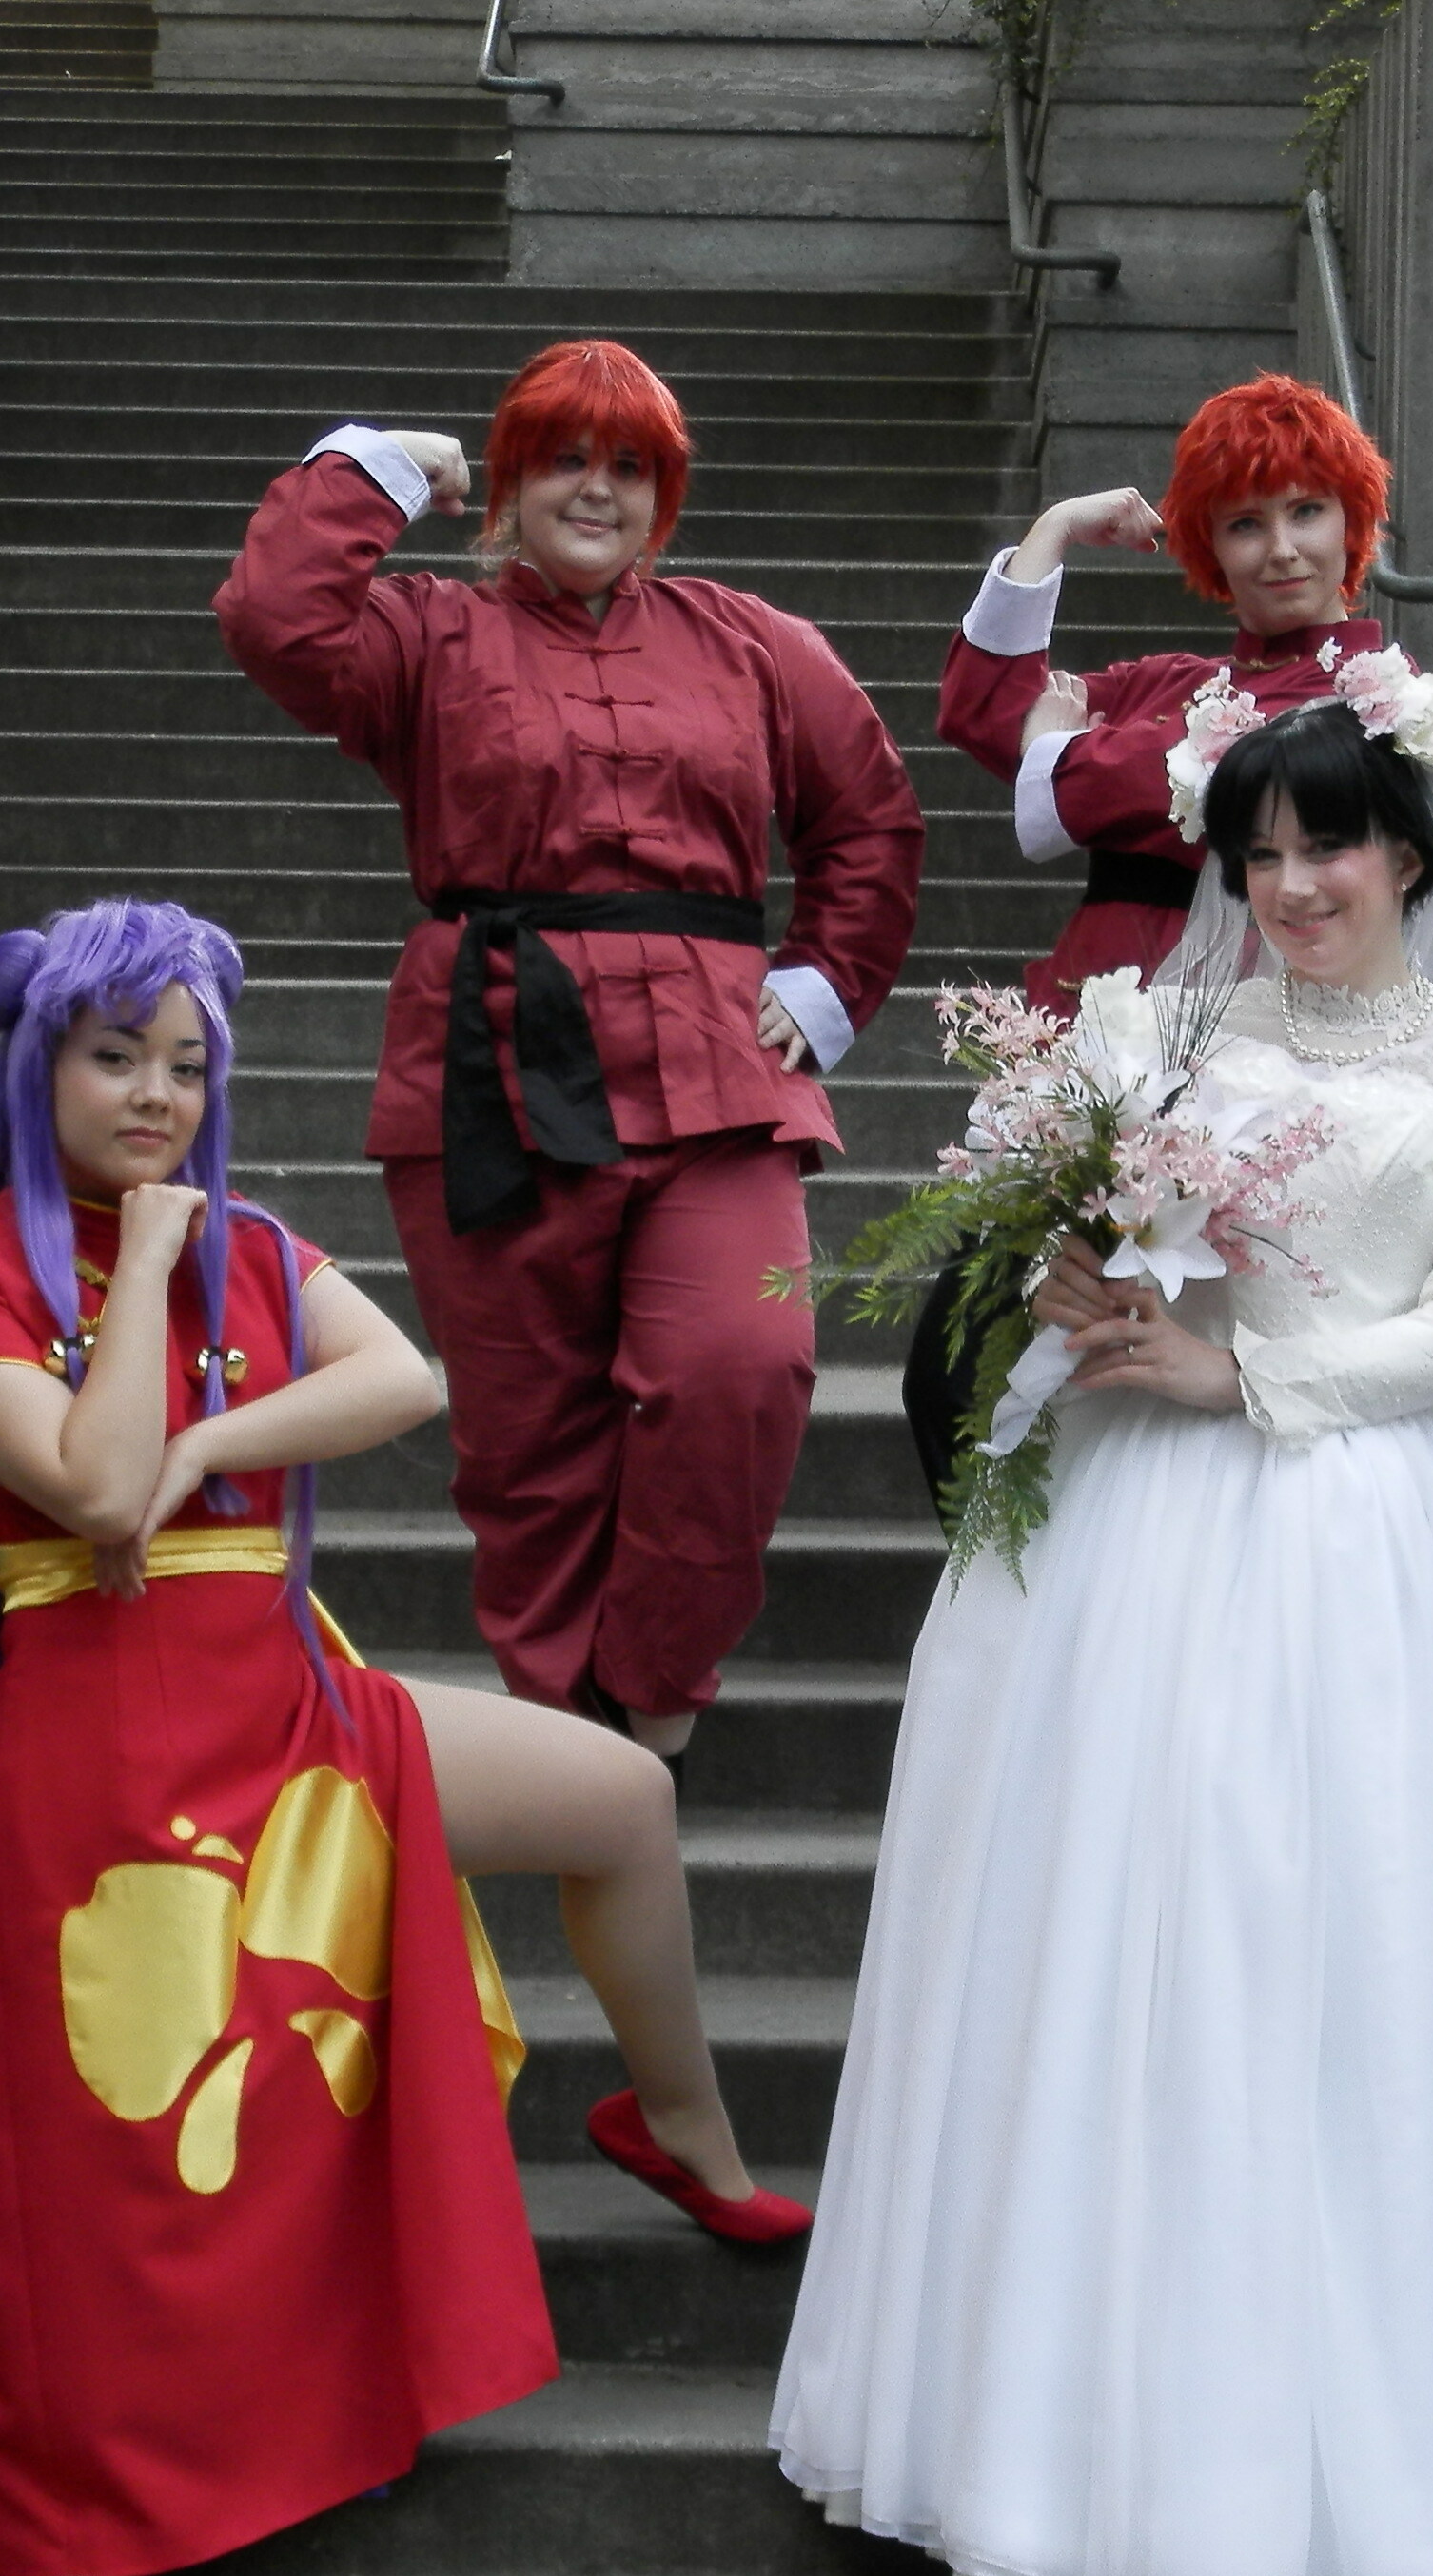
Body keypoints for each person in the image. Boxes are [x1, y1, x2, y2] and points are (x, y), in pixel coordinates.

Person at [769, 695, 1433, 2576]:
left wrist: (1247, 1376)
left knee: (1342, 1959)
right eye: (1257, 853)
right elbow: (1087, 1254)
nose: (1289, 887)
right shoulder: (1153, 1038)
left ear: (1410, 853)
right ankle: (1042, 2438)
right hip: (1133, 1535)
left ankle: (1357, 2453)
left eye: (1326, 847)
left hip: (1366, 1547)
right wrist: (1083, 1285)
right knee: (1102, 1950)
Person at [0, 898, 803, 2576]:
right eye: (115, 1059)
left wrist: (216, 1437)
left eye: (187, 1066)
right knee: (109, 2150)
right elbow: (94, 1490)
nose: (156, 1096)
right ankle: (42, 2523)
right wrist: (146, 1273)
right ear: (38, 1070)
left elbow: (401, 1378)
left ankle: (681, 2128)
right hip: (90, 1745)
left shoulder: (250, 1241)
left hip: (285, 1699)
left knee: (620, 1799)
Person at [216, 340, 924, 1767]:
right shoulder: (424, 635)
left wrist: (827, 979)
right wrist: (376, 469)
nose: (596, 490)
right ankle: (568, 1745)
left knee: (744, 1363)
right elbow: (277, 622)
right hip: (492, 1060)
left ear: (664, 495)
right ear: (512, 482)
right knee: (529, 1444)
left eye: (629, 468)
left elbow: (870, 817)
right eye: (564, 461)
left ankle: (650, 1710)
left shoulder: (753, 641)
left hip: (721, 1066)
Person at [909, 372, 1402, 1508]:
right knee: (971, 1381)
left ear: (1353, 523)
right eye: (1244, 523)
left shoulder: (1379, 698)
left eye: (1307, 511)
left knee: (1059, 1400)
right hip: (1087, 1077)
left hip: (1233, 1095)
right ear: (1207, 548)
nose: (1282, 548)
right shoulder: (1180, 682)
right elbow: (985, 714)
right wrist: (1055, 529)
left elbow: (1133, 782)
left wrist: (1066, 755)